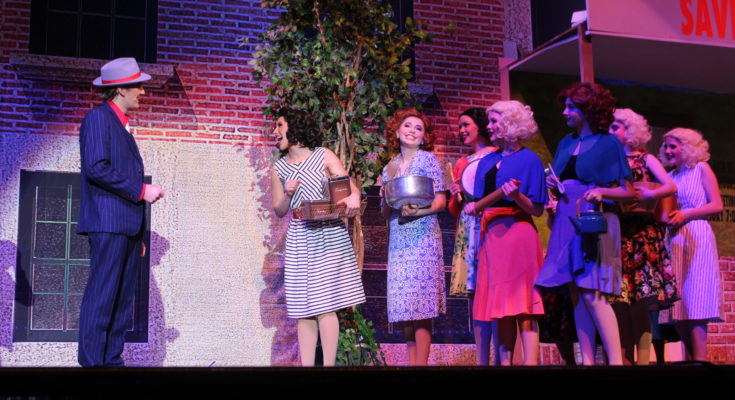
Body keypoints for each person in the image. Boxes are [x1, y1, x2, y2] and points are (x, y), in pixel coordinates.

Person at [535, 82, 632, 365]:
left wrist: (602, 191)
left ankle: (616, 362)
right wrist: (553, 185)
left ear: (588, 110)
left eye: (571, 107)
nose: (564, 112)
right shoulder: (566, 142)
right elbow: (560, 179)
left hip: (591, 219)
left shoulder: (608, 143)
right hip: (567, 218)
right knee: (576, 293)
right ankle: (587, 362)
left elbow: (629, 191)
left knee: (591, 292)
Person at [77, 57, 165, 367]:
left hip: (125, 226)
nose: (143, 91)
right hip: (108, 223)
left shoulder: (121, 125)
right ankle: (93, 365)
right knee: (103, 297)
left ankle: (111, 362)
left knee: (120, 300)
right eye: (138, 86)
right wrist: (141, 190)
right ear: (121, 89)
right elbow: (96, 167)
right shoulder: (98, 119)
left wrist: (138, 233)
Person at [270, 108, 366, 366]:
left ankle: (329, 367)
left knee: (325, 303)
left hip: (328, 234)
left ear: (295, 126)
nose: (275, 131)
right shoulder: (279, 168)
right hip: (300, 236)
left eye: (279, 125)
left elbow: (348, 186)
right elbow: (279, 209)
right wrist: (288, 194)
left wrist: (354, 196)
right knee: (304, 308)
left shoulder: (323, 155)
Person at [463, 100, 546, 365]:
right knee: (502, 306)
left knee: (525, 304)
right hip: (492, 237)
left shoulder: (530, 160)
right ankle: (505, 365)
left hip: (519, 234)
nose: (488, 126)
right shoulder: (487, 161)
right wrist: (473, 207)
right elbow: (478, 204)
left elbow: (536, 210)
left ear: (510, 123)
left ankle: (530, 364)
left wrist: (517, 196)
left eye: (494, 121)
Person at [607, 108, 679, 365]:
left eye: (615, 127)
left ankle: (644, 362)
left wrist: (651, 194)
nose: (610, 132)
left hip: (640, 234)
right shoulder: (611, 160)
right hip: (617, 232)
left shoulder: (645, 159)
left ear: (630, 130)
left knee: (640, 301)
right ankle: (624, 360)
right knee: (619, 302)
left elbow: (670, 185)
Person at [380, 108, 446, 366]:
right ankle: (411, 364)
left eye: (419, 128)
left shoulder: (428, 160)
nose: (412, 131)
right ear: (397, 132)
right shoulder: (389, 167)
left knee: (421, 303)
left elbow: (440, 201)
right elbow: (386, 211)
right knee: (405, 305)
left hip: (423, 236)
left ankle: (421, 364)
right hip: (399, 237)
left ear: (424, 136)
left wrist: (419, 211)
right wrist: (385, 197)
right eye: (407, 126)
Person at [660, 127, 723, 362]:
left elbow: (716, 205)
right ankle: (693, 362)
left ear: (687, 148)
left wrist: (686, 214)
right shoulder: (671, 177)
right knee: (678, 305)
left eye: (673, 146)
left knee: (696, 300)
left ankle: (700, 361)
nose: (668, 150)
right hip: (674, 239)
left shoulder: (701, 168)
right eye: (666, 146)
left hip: (696, 236)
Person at [447, 107, 498, 365]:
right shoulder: (461, 163)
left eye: (466, 124)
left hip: (491, 225)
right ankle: (482, 359)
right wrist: (454, 194)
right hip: (469, 229)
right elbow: (455, 209)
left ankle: (503, 357)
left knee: (496, 291)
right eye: (460, 126)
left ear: (480, 125)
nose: (462, 130)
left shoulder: (499, 154)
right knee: (474, 294)